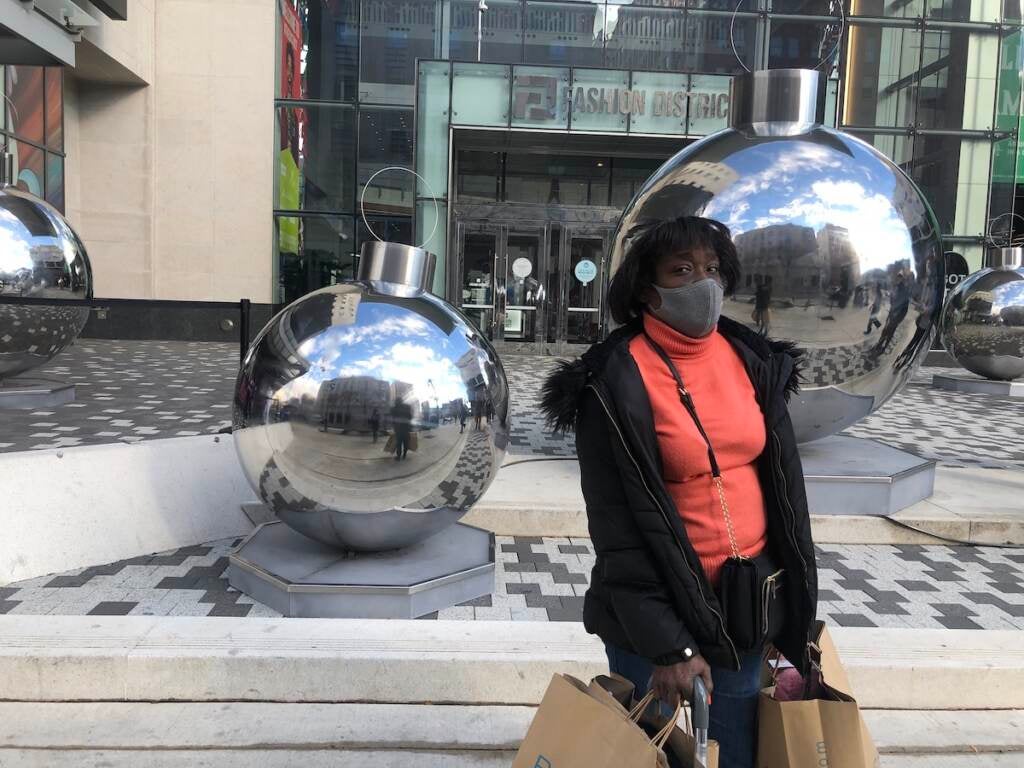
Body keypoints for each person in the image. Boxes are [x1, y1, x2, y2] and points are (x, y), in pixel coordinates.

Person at [540, 216, 818, 768]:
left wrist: (794, 613)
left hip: (747, 603)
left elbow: (788, 499)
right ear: (648, 288)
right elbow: (618, 533)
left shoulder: (752, 362)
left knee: (737, 750)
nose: (703, 284)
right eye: (682, 270)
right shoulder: (612, 384)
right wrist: (671, 646)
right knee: (651, 753)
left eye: (712, 269)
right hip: (657, 609)